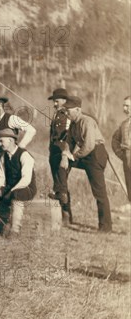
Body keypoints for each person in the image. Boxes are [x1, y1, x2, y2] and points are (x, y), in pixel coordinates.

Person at [63, 96, 112, 232]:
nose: (66, 113)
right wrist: (66, 154)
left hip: (96, 154)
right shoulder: (73, 124)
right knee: (63, 164)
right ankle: (60, 191)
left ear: (78, 110)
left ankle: (105, 227)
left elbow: (89, 145)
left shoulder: (87, 121)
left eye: (69, 110)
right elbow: (69, 141)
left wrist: (73, 156)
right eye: (65, 111)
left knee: (99, 192)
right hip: (85, 155)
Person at [0, 129, 37, 236]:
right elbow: (1, 175)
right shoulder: (3, 156)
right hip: (10, 187)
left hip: (26, 188)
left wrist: (11, 191)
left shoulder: (25, 155)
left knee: (16, 195)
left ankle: (15, 230)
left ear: (10, 140)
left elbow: (26, 179)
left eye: (1, 141)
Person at [46, 88, 74, 224]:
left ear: (63, 101)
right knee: (58, 184)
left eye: (56, 101)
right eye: (54, 101)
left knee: (62, 185)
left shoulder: (67, 115)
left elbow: (67, 136)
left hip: (62, 152)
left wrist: (65, 154)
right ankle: (61, 216)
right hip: (54, 152)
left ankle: (67, 217)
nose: (54, 104)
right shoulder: (57, 114)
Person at [111, 96, 131, 202]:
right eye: (124, 106)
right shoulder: (124, 124)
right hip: (127, 160)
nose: (124, 108)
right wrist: (121, 154)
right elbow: (114, 140)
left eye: (127, 106)